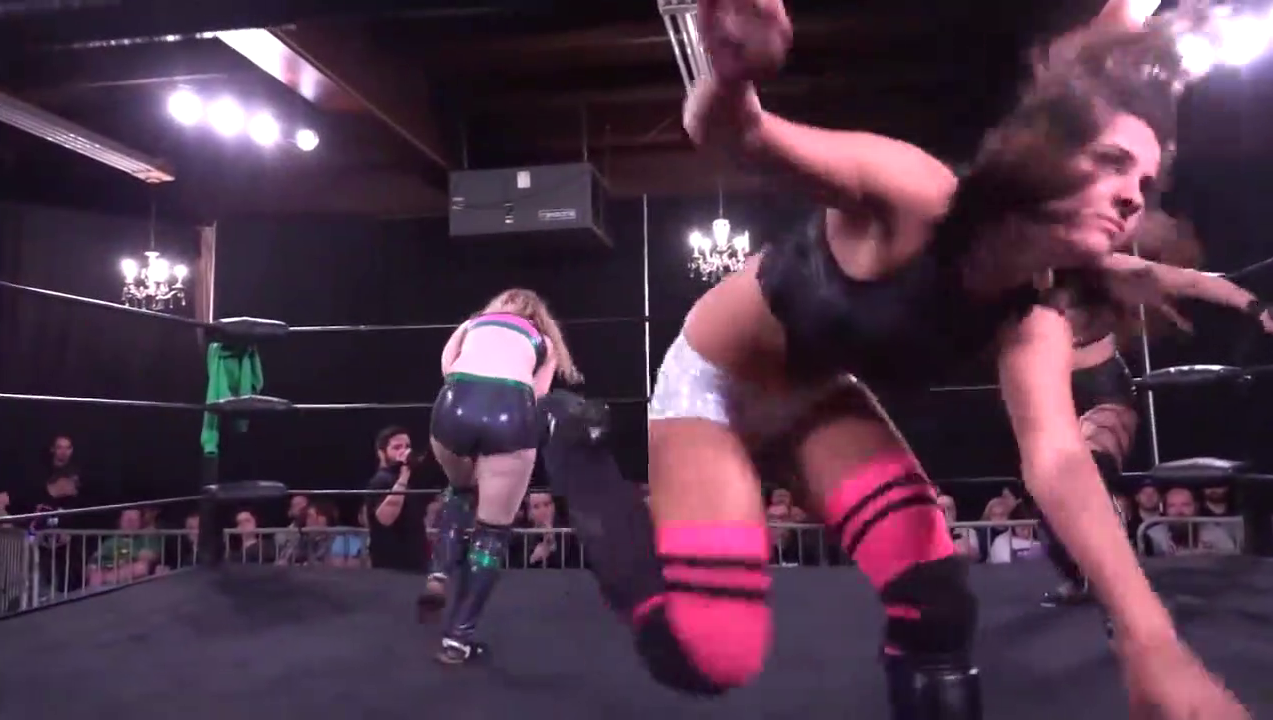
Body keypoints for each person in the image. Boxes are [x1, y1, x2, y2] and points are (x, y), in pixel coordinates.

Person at [573, 0, 1247, 717]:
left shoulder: (1032, 317)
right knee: (710, 655)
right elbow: (739, 135)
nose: (1132, 197)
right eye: (1113, 163)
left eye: (1144, 184)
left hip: (816, 398)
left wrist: (1152, 641)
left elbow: (1058, 460)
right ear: (1047, 153)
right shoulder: (916, 193)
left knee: (937, 603)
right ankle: (573, 449)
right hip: (717, 389)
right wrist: (734, 77)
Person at [1041, 214, 1273, 607]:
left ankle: (1115, 576)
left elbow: (1190, 281)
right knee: (1046, 499)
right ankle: (1083, 577)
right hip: (1048, 399)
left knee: (1088, 473)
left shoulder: (1101, 268)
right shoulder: (1012, 283)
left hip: (1101, 393)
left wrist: (1255, 307)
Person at [425, 288, 582, 665]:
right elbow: (537, 395)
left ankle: (439, 573)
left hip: (453, 408)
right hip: (509, 413)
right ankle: (457, 640)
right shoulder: (543, 341)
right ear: (538, 316)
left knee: (460, 490)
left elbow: (447, 367)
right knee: (492, 532)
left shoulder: (472, 324)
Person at [365, 426, 429, 574]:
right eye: (397, 447)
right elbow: (385, 519)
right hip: (391, 565)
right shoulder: (381, 480)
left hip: (414, 563)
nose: (404, 451)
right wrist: (404, 477)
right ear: (382, 453)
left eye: (407, 446)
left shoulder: (408, 480)